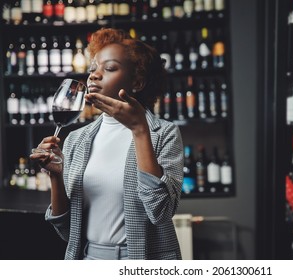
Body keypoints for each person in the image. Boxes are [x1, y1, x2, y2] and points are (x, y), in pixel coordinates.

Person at [30, 28, 184, 260]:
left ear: (138, 82)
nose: (94, 75)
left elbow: (160, 212)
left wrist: (139, 130)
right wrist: (55, 176)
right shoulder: (77, 139)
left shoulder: (164, 134)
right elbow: (66, 230)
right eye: (93, 69)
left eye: (109, 68)